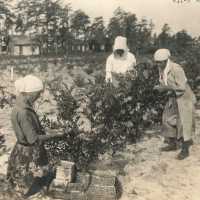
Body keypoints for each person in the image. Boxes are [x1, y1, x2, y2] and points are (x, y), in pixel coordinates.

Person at [7, 75, 63, 198]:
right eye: (38, 94)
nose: (39, 97)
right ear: (31, 93)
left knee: (19, 187)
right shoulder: (24, 112)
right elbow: (34, 139)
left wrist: (47, 130)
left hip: (21, 150)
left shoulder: (20, 106)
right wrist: (56, 135)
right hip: (28, 154)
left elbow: (30, 130)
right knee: (30, 189)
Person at [153, 48, 196, 160]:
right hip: (173, 95)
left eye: (161, 62)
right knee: (167, 117)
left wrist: (165, 88)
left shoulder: (176, 68)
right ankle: (172, 143)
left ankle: (185, 149)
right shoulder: (161, 68)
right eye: (157, 62)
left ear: (167, 60)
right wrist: (163, 88)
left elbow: (181, 87)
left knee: (184, 121)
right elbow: (164, 81)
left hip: (184, 96)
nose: (159, 64)